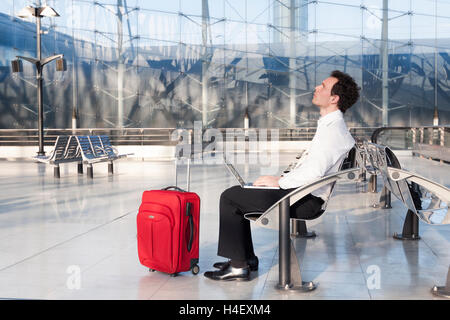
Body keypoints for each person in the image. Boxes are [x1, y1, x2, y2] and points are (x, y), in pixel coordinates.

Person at [204, 70, 360, 281]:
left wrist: (279, 182)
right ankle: (245, 258)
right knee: (242, 192)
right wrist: (278, 181)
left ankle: (239, 266)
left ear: (334, 98)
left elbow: (314, 172)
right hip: (303, 193)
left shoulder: (333, 131)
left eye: (323, 86)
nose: (316, 87)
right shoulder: (330, 126)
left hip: (305, 199)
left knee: (231, 197)